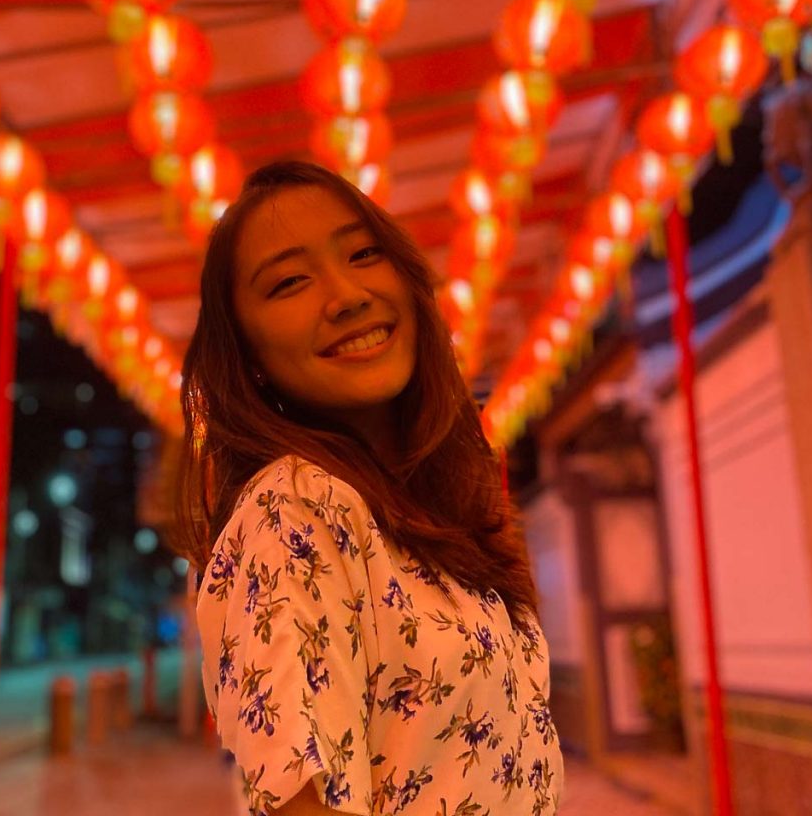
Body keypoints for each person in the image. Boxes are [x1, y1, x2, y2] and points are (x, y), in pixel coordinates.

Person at [175, 161, 562, 816]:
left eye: (363, 254)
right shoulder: (292, 509)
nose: (347, 294)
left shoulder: (425, 512)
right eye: (290, 282)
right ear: (249, 359)